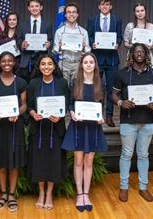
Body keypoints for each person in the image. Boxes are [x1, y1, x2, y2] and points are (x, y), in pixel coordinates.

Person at [112, 43, 153, 203]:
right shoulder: (122, 74)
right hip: (128, 121)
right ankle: (124, 187)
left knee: (143, 155)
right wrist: (120, 103)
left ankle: (143, 187)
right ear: (131, 55)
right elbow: (114, 94)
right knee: (126, 155)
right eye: (136, 52)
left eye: (142, 52)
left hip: (147, 122)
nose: (139, 54)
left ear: (147, 55)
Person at [62, 52, 107, 212]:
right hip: (78, 127)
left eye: (91, 62)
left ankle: (86, 194)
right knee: (78, 161)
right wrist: (72, 113)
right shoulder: (75, 83)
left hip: (94, 127)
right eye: (86, 62)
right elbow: (70, 104)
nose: (88, 65)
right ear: (81, 65)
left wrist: (102, 116)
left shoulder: (100, 84)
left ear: (95, 65)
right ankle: (79, 194)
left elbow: (104, 105)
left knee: (89, 161)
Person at [27, 54, 69, 210]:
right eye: (43, 64)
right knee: (39, 162)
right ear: (39, 66)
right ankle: (41, 193)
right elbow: (29, 106)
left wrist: (60, 116)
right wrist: (32, 114)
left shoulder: (62, 83)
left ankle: (49, 194)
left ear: (54, 66)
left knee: (53, 162)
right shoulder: (33, 83)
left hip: (55, 130)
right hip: (38, 130)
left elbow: (66, 105)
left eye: (49, 64)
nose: (46, 67)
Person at [0, 52, 27, 213]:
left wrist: (17, 112)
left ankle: (11, 194)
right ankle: (3, 194)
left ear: (14, 62)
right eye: (3, 61)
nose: (7, 63)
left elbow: (24, 105)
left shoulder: (21, 82)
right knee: (1, 161)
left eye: (10, 60)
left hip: (14, 126)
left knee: (14, 162)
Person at [87, 0, 123, 127]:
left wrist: (117, 43)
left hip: (112, 59)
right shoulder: (92, 20)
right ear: (99, 7)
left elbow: (119, 36)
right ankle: (97, 114)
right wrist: (92, 44)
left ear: (111, 6)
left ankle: (109, 116)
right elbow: (89, 35)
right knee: (96, 88)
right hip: (97, 59)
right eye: (102, 5)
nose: (105, 7)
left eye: (107, 4)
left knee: (111, 89)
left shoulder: (117, 19)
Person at [16, 0, 53, 83]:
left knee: (40, 85)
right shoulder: (22, 24)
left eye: (37, 6)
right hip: (26, 61)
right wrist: (22, 44)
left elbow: (51, 40)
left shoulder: (47, 24)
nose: (34, 8)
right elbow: (18, 40)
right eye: (32, 6)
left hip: (41, 59)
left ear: (41, 7)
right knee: (26, 86)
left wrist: (49, 44)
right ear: (28, 8)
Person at [53, 2, 91, 85]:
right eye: (69, 12)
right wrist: (59, 47)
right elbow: (54, 50)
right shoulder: (59, 31)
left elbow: (88, 51)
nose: (71, 14)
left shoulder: (83, 32)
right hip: (64, 63)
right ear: (65, 15)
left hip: (78, 63)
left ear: (77, 14)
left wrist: (84, 47)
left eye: (74, 12)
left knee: (77, 90)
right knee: (63, 88)